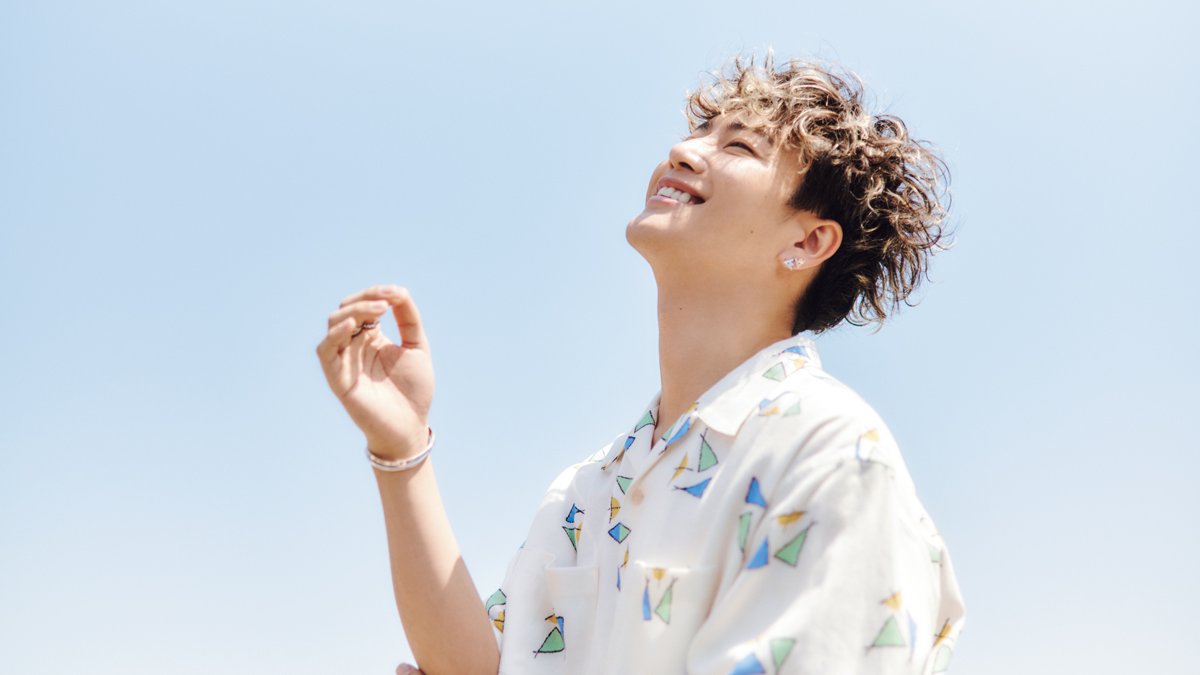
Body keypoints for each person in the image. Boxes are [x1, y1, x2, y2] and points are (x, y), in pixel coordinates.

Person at [316, 52, 966, 675]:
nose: (682, 151)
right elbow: (487, 665)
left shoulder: (830, 451)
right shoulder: (591, 486)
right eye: (697, 133)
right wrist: (402, 449)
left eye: (739, 147)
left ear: (809, 239)